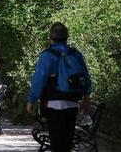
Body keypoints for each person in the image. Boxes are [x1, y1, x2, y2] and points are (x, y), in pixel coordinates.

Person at [27, 22, 92, 152]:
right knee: (67, 141)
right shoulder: (75, 54)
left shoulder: (47, 55)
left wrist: (31, 100)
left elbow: (39, 79)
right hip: (73, 102)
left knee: (56, 142)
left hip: (53, 103)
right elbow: (85, 77)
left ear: (51, 38)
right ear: (67, 37)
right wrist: (86, 97)